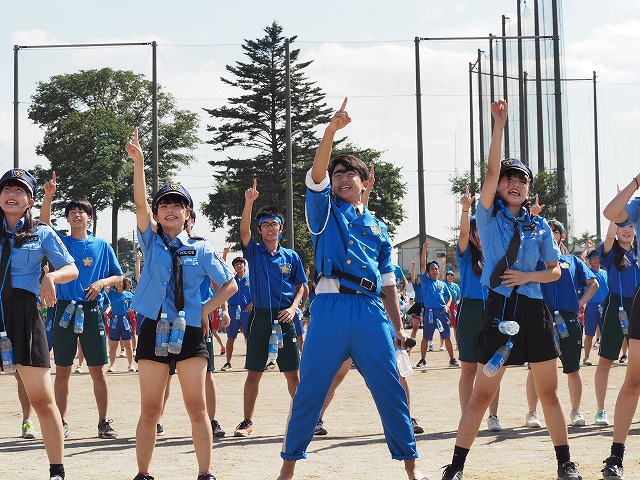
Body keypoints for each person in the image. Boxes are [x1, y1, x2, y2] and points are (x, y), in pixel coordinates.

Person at [278, 98, 425, 480]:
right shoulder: (323, 212)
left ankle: (411, 469)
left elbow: (389, 283)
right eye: (337, 173)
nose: (342, 178)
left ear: (364, 183)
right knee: (310, 391)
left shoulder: (378, 227)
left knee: (391, 391)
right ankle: (287, 469)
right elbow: (316, 177)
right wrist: (330, 133)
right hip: (328, 308)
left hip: (370, 311)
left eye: (350, 174)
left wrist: (397, 328)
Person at [441, 100, 581, 480]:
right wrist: (498, 125)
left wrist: (526, 278)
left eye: (522, 180)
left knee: (549, 393)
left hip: (534, 314)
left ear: (529, 187)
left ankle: (564, 463)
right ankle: (455, 467)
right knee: (481, 396)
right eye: (509, 179)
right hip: (499, 314)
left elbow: (554, 272)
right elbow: (489, 170)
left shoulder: (538, 228)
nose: (514, 184)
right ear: (499, 187)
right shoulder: (486, 217)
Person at [125, 127, 237, 480]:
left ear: (189, 214)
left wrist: (203, 310)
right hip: (153, 328)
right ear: (157, 214)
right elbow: (139, 202)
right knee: (151, 408)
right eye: (164, 205)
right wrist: (139, 163)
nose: (169, 209)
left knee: (196, 406)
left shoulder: (201, 248)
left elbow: (230, 284)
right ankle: (143, 473)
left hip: (189, 332)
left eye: (178, 205)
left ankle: (205, 473)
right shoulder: (150, 240)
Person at [0, 168, 79, 480]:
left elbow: (71, 269)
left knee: (44, 401)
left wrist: (50, 276)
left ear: (30, 200)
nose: (11, 193)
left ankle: (57, 471)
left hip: (24, 313)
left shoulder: (42, 232)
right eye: (6, 187)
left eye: (19, 190)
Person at [41, 171, 124, 440]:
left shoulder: (101, 245)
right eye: (73, 212)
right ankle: (61, 421)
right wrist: (48, 197)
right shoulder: (61, 241)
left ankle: (103, 421)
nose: (77, 215)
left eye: (82, 212)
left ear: (90, 217)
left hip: (91, 311)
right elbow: (43, 224)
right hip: (64, 308)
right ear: (67, 217)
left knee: (98, 370)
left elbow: (119, 276)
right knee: (62, 369)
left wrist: (102, 283)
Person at [234, 178, 306, 437]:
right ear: (261, 229)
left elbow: (301, 286)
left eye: (274, 224)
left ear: (281, 228)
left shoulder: (291, 256)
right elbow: (243, 232)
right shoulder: (253, 252)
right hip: (261, 318)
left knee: (292, 374)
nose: (270, 228)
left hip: (285, 318)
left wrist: (295, 307)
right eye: (265, 225)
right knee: (254, 373)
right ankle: (246, 421)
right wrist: (248, 202)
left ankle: (302, 420)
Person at [525, 219, 598, 428]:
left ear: (562, 236)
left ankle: (575, 411)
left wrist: (579, 303)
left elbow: (593, 283)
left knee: (573, 368)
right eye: (548, 231)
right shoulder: (537, 260)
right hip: (542, 316)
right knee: (534, 369)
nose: (552, 235)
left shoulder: (572, 261)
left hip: (568, 317)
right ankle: (532, 413)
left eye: (555, 231)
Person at [597, 179, 640, 478]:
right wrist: (636, 182)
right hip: (626, 305)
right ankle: (616, 455)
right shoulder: (637, 207)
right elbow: (611, 213)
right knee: (634, 381)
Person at [455, 186, 502, 432]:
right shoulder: (465, 255)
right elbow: (462, 233)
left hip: (494, 310)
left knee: (492, 367)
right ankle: (467, 417)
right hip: (470, 310)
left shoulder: (498, 254)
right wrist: (466, 208)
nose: (478, 234)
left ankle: (493, 416)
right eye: (475, 230)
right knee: (469, 368)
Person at [593, 220, 639, 427]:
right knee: (605, 361)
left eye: (630, 225)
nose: (627, 230)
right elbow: (609, 237)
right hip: (616, 307)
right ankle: (601, 410)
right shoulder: (611, 253)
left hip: (637, 306)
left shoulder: (638, 253)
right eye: (622, 226)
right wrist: (616, 214)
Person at [417, 245, 457, 368]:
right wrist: (424, 250)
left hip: (441, 312)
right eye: (432, 269)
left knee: (446, 336)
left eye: (436, 269)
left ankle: (452, 359)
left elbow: (449, 297)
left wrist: (447, 306)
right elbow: (422, 265)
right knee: (426, 337)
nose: (435, 271)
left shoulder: (442, 284)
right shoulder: (425, 281)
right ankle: (423, 360)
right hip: (429, 312)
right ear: (428, 272)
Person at [220, 251, 253, 371]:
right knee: (231, 337)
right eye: (237, 264)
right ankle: (228, 363)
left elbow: (258, 292)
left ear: (244, 265)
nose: (239, 266)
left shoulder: (251, 278)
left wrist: (252, 303)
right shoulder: (231, 279)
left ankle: (250, 362)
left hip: (247, 310)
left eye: (241, 264)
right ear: (234, 266)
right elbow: (222, 268)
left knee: (249, 337)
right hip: (233, 310)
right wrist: (224, 254)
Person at [582, 249, 608, 366]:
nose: (596, 260)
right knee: (589, 334)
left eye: (598, 258)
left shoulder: (606, 272)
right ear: (590, 261)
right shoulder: (588, 273)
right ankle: (586, 357)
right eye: (593, 258)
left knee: (606, 333)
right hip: (592, 306)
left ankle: (606, 357)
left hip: (605, 306)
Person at [105, 279, 135, 373]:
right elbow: (106, 286)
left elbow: (136, 303)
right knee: (113, 345)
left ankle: (131, 365)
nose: (118, 285)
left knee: (128, 345)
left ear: (124, 283)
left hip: (125, 321)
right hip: (115, 321)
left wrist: (132, 308)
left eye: (120, 283)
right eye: (116, 283)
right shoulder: (112, 294)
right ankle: (112, 365)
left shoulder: (129, 295)